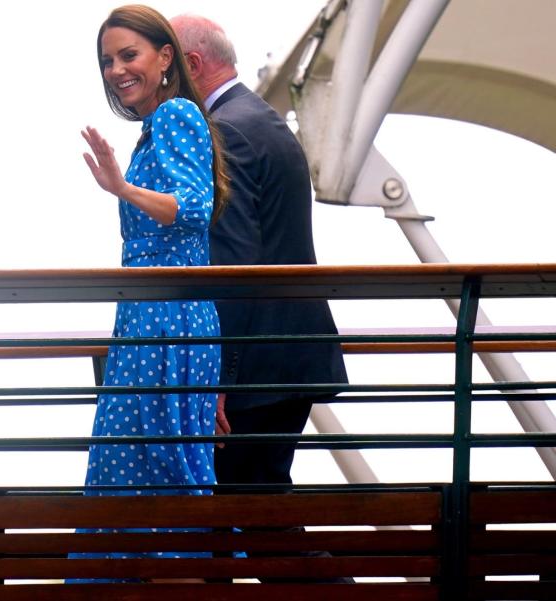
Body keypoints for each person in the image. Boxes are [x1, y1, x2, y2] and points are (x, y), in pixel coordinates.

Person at [71, 4, 230, 578]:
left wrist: (121, 188)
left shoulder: (176, 114)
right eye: (108, 61)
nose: (116, 70)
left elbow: (191, 210)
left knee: (148, 472)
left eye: (128, 55)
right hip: (156, 321)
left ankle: (159, 584)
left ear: (166, 58)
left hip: (165, 323)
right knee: (146, 469)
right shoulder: (155, 127)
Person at [171, 12, 349, 510]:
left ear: (191, 63)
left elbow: (234, 261)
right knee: (249, 513)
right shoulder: (258, 118)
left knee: (251, 516)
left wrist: (219, 380)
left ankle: (348, 590)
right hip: (285, 355)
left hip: (258, 368)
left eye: (168, 64)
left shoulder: (223, 132)